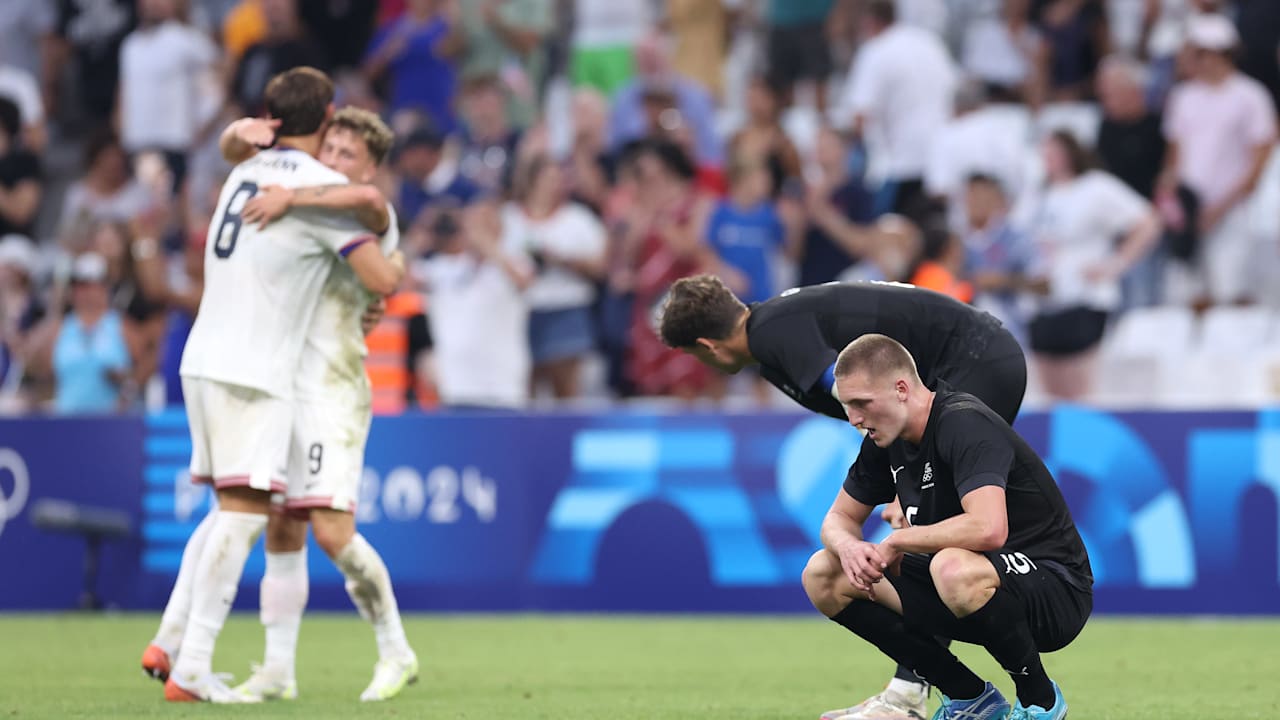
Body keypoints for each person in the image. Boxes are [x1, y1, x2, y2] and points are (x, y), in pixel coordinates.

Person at [147, 67, 405, 703]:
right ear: (325, 121)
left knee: (295, 525)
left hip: (305, 383)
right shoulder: (311, 188)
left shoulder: (249, 173)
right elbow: (379, 270)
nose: (339, 158)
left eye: (354, 154)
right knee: (250, 516)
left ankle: (183, 645)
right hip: (261, 371)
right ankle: (210, 664)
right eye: (335, 144)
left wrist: (249, 147)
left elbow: (379, 248)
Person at [658, 274, 1026, 720]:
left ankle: (930, 694)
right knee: (922, 532)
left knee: (933, 532)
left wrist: (908, 489)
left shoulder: (772, 334)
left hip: (975, 362)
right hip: (977, 358)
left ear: (707, 346)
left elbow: (860, 396)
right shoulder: (771, 330)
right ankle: (938, 692)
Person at [801, 333, 1092, 720]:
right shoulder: (883, 439)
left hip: (1055, 589)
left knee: (950, 566)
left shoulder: (963, 422)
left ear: (901, 388)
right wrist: (850, 547)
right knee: (824, 573)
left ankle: (1039, 702)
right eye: (847, 405)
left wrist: (900, 541)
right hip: (965, 585)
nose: (854, 419)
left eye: (861, 404)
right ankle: (970, 699)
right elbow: (837, 519)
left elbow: (989, 529)